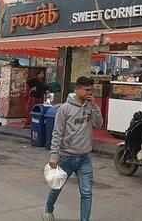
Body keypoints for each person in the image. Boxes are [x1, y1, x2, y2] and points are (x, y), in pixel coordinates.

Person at [43, 76, 103, 221]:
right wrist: (54, 155)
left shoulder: (90, 106)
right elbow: (57, 133)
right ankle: (48, 210)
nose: (89, 93)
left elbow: (99, 124)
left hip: (85, 157)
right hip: (66, 157)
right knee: (57, 187)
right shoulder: (65, 108)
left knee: (87, 193)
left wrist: (95, 106)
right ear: (77, 89)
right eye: (86, 90)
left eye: (91, 90)